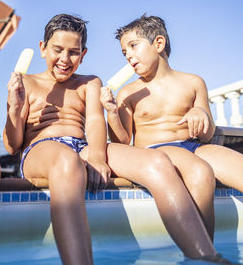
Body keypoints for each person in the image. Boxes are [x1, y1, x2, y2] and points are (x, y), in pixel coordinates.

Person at [4, 13, 223, 264]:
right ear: (42, 49)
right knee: (67, 162)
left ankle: (206, 257)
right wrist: (14, 107)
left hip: (84, 148)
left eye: (73, 52)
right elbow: (12, 145)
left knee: (158, 161)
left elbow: (96, 122)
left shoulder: (89, 83)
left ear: (83, 54)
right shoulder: (25, 83)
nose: (65, 59)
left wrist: (98, 157)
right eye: (57, 50)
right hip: (40, 149)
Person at [101, 14, 243, 245]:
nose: (128, 55)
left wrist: (201, 114)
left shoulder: (193, 82)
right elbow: (122, 141)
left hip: (195, 145)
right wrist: (112, 112)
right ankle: (203, 250)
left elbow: (208, 133)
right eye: (124, 52)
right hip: (157, 150)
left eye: (133, 46)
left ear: (158, 44)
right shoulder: (129, 93)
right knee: (200, 172)